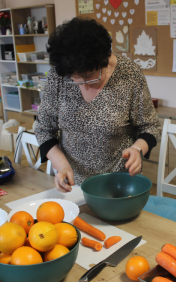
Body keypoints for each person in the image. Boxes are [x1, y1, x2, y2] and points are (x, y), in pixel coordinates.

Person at [35, 18, 161, 193]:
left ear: (104, 59)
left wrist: (137, 149)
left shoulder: (129, 74)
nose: (84, 85)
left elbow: (151, 126)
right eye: (75, 79)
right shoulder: (59, 76)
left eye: (90, 76)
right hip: (73, 186)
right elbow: (43, 129)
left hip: (119, 184)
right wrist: (61, 166)